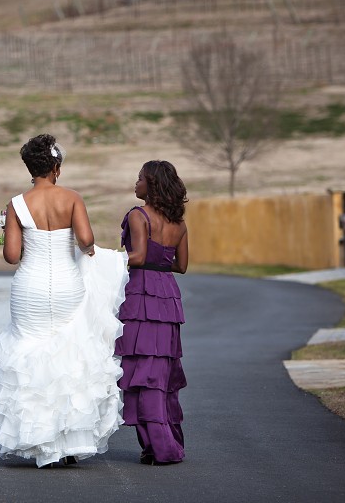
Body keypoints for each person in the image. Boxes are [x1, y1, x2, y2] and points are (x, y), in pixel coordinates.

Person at [0, 134, 128, 468]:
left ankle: (39, 441)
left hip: (29, 287)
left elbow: (10, 256)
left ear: (30, 168)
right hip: (66, 285)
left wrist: (10, 229)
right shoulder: (72, 198)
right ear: (56, 167)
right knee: (69, 355)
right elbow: (87, 240)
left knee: (30, 355)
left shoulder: (17, 204)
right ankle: (70, 442)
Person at [116, 160, 189, 465]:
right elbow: (181, 266)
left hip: (141, 296)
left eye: (140, 179)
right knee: (161, 373)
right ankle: (164, 442)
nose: (136, 183)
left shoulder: (139, 215)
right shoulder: (179, 223)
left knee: (142, 373)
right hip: (168, 297)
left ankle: (158, 447)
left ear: (152, 186)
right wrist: (161, 262)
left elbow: (139, 256)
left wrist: (110, 258)